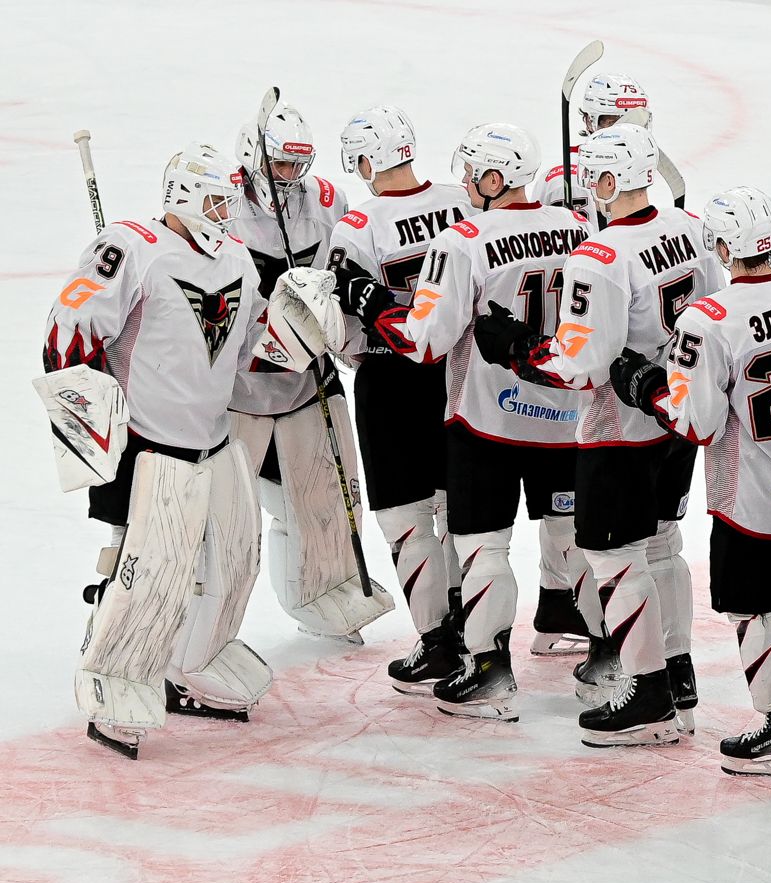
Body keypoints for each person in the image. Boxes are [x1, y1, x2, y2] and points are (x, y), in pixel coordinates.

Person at [39, 144, 336, 758]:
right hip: (150, 444)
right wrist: (87, 417)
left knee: (234, 562)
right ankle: (117, 677)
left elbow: (252, 349)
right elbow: (68, 329)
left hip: (215, 440)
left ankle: (194, 662)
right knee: (149, 575)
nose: (225, 213)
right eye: (215, 202)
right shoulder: (129, 248)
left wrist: (298, 321)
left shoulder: (236, 258)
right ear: (182, 196)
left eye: (228, 202)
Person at [336, 123, 595, 720]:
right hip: (559, 407)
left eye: (475, 172)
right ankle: (609, 658)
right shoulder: (577, 227)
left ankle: (459, 652)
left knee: (457, 535)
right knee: (571, 533)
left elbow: (421, 339)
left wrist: (368, 302)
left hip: (468, 405)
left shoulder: (446, 234)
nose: (468, 181)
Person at [486, 123, 723, 746]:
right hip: (676, 417)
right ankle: (677, 679)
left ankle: (648, 695)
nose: (587, 183)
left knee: (615, 557)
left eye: (594, 173)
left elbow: (582, 364)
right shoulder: (692, 229)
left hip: (619, 432)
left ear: (612, 179)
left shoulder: (601, 255)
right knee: (662, 548)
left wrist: (516, 348)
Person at [610, 186, 771, 774]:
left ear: (719, 247)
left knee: (753, 607)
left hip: (754, 497)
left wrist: (645, 385)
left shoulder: (708, 319)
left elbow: (697, 422)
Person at [227, 101, 393, 643]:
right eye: (281, 164)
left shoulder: (327, 201)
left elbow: (340, 281)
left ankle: (319, 595)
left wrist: (343, 339)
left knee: (326, 501)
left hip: (308, 381)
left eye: (300, 165)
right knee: (226, 517)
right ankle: (200, 622)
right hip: (238, 390)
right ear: (253, 159)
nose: (291, 177)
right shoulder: (222, 205)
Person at [322, 106, 471, 694]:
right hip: (462, 374)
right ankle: (474, 633)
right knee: (459, 512)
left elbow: (341, 326)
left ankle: (437, 642)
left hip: (391, 381)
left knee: (405, 518)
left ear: (365, 161)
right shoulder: (464, 201)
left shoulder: (358, 225)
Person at [535, 73, 651, 221]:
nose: (624, 133)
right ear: (589, 122)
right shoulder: (559, 181)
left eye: (633, 123)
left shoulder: (641, 168)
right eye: (613, 123)